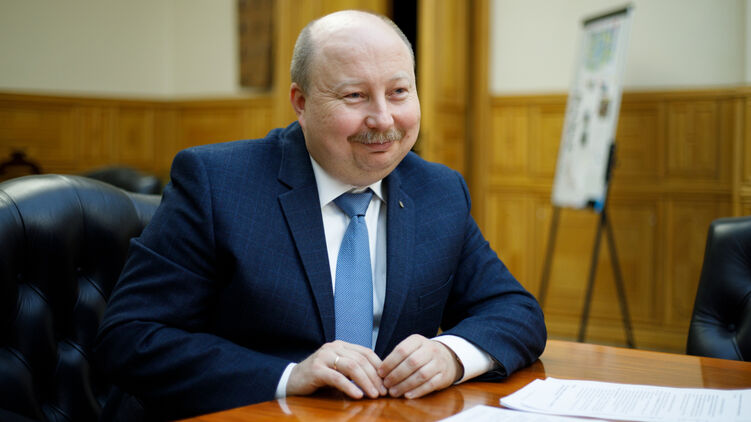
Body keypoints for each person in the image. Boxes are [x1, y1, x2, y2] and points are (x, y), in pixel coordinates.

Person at [94, 10, 546, 421]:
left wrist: (452, 354)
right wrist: (290, 376)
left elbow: (515, 310)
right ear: (301, 102)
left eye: (398, 92)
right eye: (355, 96)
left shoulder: (438, 191)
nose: (383, 119)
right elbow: (130, 336)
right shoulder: (216, 183)